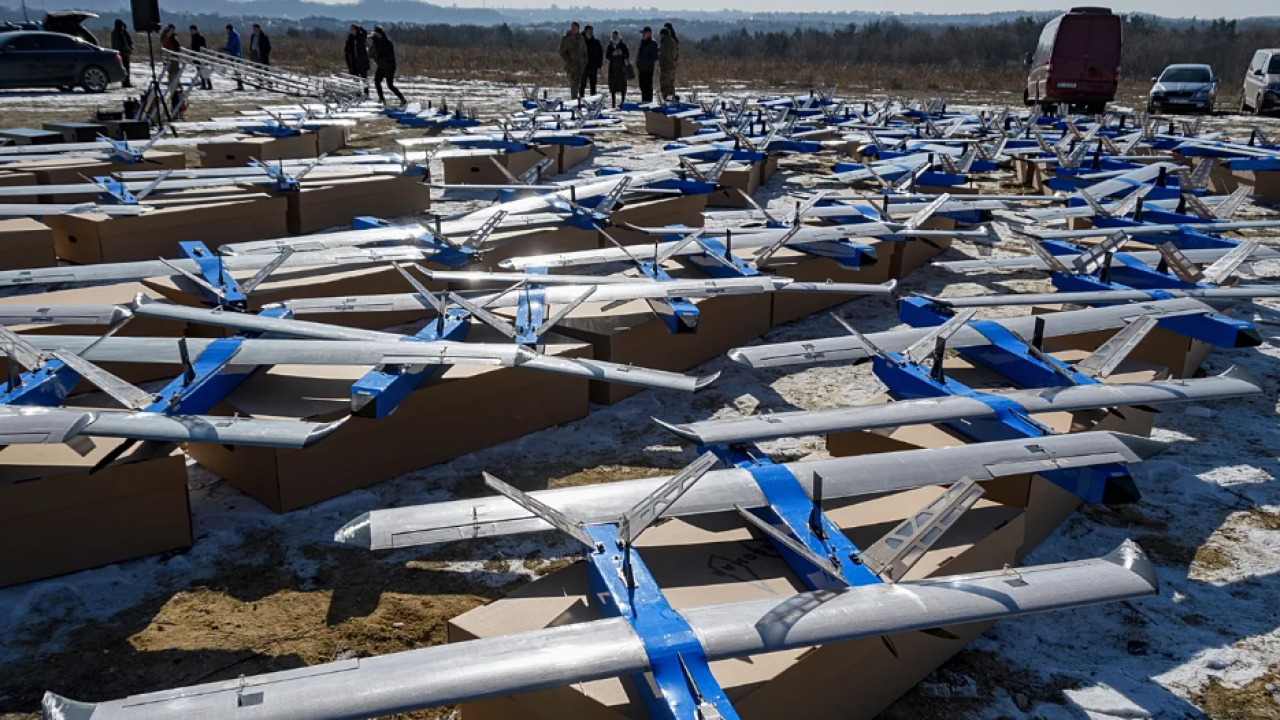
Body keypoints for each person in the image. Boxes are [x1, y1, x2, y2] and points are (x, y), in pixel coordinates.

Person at [370, 26, 406, 106]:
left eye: (376, 34)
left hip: (389, 66)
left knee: (390, 85)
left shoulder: (387, 43)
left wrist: (378, 58)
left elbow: (387, 56)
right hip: (381, 66)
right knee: (376, 81)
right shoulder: (375, 42)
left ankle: (402, 99)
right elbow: (371, 53)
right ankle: (382, 99)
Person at [558, 21, 586, 100]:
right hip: (571, 65)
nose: (573, 29)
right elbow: (561, 51)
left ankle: (578, 101)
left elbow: (584, 52)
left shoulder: (581, 39)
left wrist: (584, 62)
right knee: (573, 85)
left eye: (575, 28)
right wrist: (568, 61)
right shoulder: (566, 38)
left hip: (580, 66)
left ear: (578, 29)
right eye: (572, 27)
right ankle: (574, 101)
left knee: (580, 85)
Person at [604, 30, 630, 108]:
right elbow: (607, 56)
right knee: (612, 86)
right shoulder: (610, 45)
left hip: (621, 68)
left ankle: (622, 101)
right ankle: (613, 102)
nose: (615, 37)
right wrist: (612, 54)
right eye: (613, 36)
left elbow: (627, 55)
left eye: (616, 35)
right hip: (612, 68)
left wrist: (621, 53)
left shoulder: (622, 45)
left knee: (623, 86)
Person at [579, 25, 602, 99]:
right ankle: (581, 100)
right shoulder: (581, 42)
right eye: (589, 31)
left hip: (593, 66)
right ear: (585, 31)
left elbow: (600, 53)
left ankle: (593, 101)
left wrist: (599, 64)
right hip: (583, 67)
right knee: (582, 85)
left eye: (592, 31)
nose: (591, 32)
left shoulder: (596, 42)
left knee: (593, 85)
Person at [635, 26, 657, 104]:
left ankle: (648, 101)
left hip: (648, 69)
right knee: (642, 86)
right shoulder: (642, 43)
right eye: (642, 33)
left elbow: (655, 56)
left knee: (647, 87)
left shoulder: (652, 43)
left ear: (649, 33)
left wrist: (648, 64)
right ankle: (644, 101)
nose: (643, 35)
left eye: (644, 33)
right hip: (641, 69)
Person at [658, 24, 679, 102]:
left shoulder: (666, 42)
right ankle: (672, 99)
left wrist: (671, 61)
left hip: (666, 66)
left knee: (665, 85)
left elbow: (665, 54)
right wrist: (675, 61)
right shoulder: (673, 40)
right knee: (671, 85)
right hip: (672, 67)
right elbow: (677, 52)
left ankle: (667, 100)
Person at [111, 19, 133, 88]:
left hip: (116, 52)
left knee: (122, 68)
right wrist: (129, 50)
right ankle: (126, 82)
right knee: (126, 68)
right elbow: (125, 43)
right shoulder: (120, 33)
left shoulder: (113, 33)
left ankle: (124, 81)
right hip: (123, 53)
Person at [221, 24, 244, 90]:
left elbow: (231, 45)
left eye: (227, 29)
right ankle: (239, 85)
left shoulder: (234, 35)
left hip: (236, 55)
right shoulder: (232, 35)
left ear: (229, 29)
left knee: (237, 71)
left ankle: (240, 85)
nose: (226, 31)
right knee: (236, 70)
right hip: (233, 54)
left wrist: (224, 48)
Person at [189, 26, 212, 90]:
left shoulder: (200, 37)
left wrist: (202, 55)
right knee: (200, 71)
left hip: (201, 56)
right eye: (190, 30)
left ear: (195, 30)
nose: (191, 32)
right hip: (196, 56)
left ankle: (208, 84)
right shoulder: (194, 37)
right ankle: (204, 84)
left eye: (192, 30)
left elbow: (203, 48)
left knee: (204, 71)